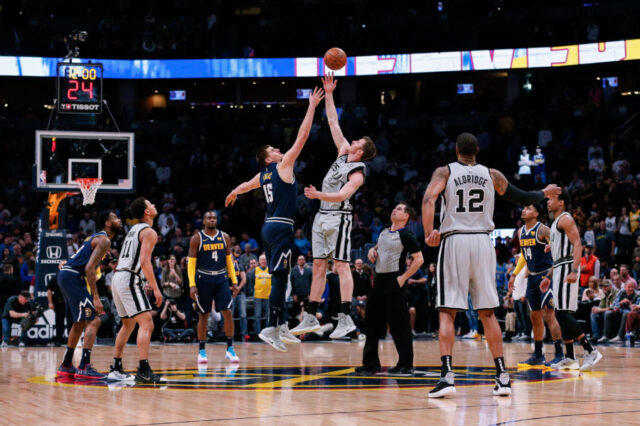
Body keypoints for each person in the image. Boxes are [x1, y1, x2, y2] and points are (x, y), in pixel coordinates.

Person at [422, 132, 561, 398]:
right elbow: (521, 197)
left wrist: (430, 231)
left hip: (455, 240)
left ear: (456, 149)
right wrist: (544, 192)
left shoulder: (445, 172)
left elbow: (429, 200)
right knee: (487, 313)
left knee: (447, 311)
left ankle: (447, 376)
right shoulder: (492, 174)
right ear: (477, 151)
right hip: (484, 243)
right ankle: (503, 377)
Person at [225, 86, 324, 351]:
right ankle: (272, 326)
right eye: (274, 148)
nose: (280, 149)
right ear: (268, 157)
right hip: (280, 227)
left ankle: (279, 325)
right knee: (280, 277)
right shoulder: (282, 166)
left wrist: (235, 191)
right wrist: (312, 106)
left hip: (270, 227)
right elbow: (302, 137)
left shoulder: (263, 175)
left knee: (282, 275)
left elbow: (246, 184)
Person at [292, 73, 377, 339]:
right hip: (321, 217)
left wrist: (318, 195)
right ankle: (310, 316)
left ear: (361, 152)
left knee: (341, 266)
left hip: (339, 217)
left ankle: (346, 318)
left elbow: (342, 196)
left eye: (357, 143)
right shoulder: (342, 150)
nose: (352, 142)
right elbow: (332, 120)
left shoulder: (359, 171)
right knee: (319, 265)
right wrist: (329, 93)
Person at [355, 203, 423, 376]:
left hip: (395, 281)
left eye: (400, 209)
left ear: (406, 216)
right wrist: (372, 250)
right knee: (371, 322)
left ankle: (405, 364)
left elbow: (419, 259)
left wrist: (403, 278)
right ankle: (370, 363)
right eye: (395, 208)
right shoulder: (385, 231)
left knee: (398, 325)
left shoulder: (406, 235)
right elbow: (378, 248)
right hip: (378, 281)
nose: (395, 209)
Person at [541, 190, 603, 370]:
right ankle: (569, 357)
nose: (548, 202)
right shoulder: (555, 223)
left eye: (551, 199)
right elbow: (558, 255)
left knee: (562, 313)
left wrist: (575, 270)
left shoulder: (566, 219)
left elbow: (578, 244)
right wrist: (548, 276)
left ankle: (590, 350)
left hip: (568, 267)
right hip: (559, 267)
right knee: (560, 312)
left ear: (561, 202)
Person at [56, 211, 122, 379]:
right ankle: (84, 365)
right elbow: (89, 268)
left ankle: (66, 365)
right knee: (94, 320)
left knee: (79, 323)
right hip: (72, 276)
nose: (119, 220)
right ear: (107, 223)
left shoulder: (95, 238)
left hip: (67, 275)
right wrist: (96, 297)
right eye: (115, 218)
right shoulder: (104, 240)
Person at [108, 198, 164, 383]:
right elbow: (145, 261)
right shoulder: (149, 232)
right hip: (129, 278)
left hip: (119, 277)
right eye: (151, 204)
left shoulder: (133, 230)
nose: (154, 206)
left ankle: (116, 367)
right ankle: (144, 369)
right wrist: (156, 288)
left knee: (128, 324)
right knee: (147, 323)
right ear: (147, 212)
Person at [508, 204, 564, 367]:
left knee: (549, 314)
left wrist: (550, 275)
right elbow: (525, 256)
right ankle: (538, 354)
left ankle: (559, 354)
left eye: (529, 208)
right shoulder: (520, 232)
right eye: (524, 208)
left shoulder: (544, 230)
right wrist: (514, 274)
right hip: (532, 277)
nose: (524, 210)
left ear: (537, 213)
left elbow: (558, 253)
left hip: (546, 275)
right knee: (535, 316)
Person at [187, 211, 239, 365]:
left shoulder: (225, 237)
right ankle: (202, 351)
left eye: (214, 218)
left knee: (228, 312)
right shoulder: (197, 238)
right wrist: (192, 285)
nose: (212, 220)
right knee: (203, 314)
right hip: (203, 278)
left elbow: (229, 261)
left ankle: (230, 348)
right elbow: (191, 264)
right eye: (209, 217)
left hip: (221, 278)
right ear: (203, 221)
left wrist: (234, 281)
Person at [405, 256, 427, 336]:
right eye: (408, 260)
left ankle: (411, 330)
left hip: (414, 294)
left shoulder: (417, 270)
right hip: (403, 294)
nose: (410, 261)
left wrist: (415, 281)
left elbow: (424, 280)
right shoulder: (402, 270)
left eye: (411, 260)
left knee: (412, 310)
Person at [290, 255, 312, 319]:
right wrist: (294, 294)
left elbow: (311, 282)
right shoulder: (293, 270)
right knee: (296, 312)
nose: (301, 261)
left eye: (302, 259)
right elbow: (292, 283)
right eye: (300, 259)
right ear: (297, 261)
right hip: (297, 295)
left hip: (306, 294)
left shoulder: (309, 270)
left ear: (305, 261)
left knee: (307, 312)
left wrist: (310, 294)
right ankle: (295, 326)